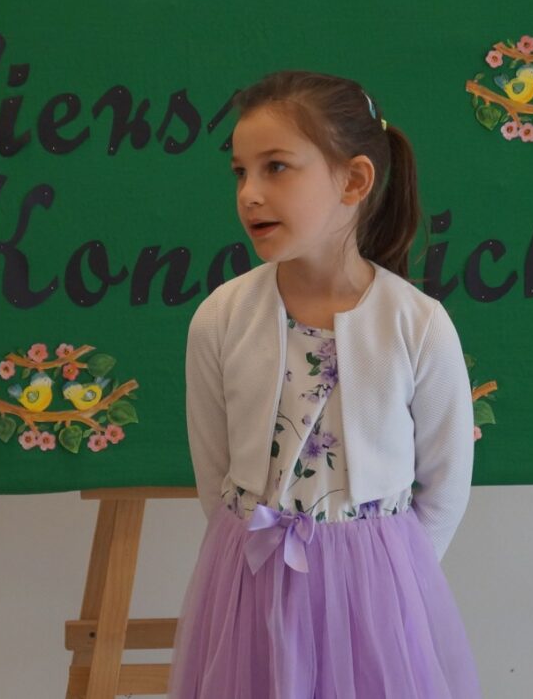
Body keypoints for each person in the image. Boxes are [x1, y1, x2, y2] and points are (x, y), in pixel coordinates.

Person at [169, 71, 480, 698]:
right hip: (248, 578)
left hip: (375, 589)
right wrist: (248, 562)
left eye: (276, 167)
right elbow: (215, 470)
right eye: (240, 172)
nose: (250, 193)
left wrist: (386, 578)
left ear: (354, 181)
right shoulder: (221, 318)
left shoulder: (416, 323)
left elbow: (446, 482)